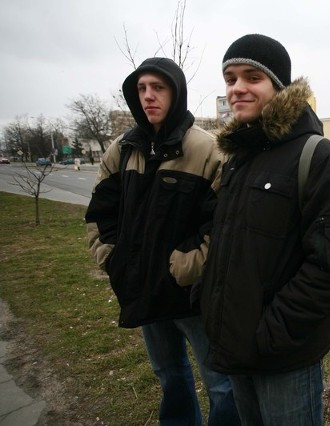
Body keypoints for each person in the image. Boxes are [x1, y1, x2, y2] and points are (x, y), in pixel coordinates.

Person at [199, 34, 330, 425]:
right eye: (230, 77)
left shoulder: (320, 157)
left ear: (279, 86)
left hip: (283, 356)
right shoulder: (238, 157)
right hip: (236, 343)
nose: (237, 88)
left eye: (251, 77)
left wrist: (269, 336)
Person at [85, 57, 239, 425]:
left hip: (190, 295)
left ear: (176, 92)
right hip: (142, 288)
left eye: (158, 88)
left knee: (221, 385)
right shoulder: (122, 150)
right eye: (141, 89)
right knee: (168, 375)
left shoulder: (206, 149)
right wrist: (111, 256)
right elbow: (100, 213)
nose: (148, 97)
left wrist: (187, 266)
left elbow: (221, 223)